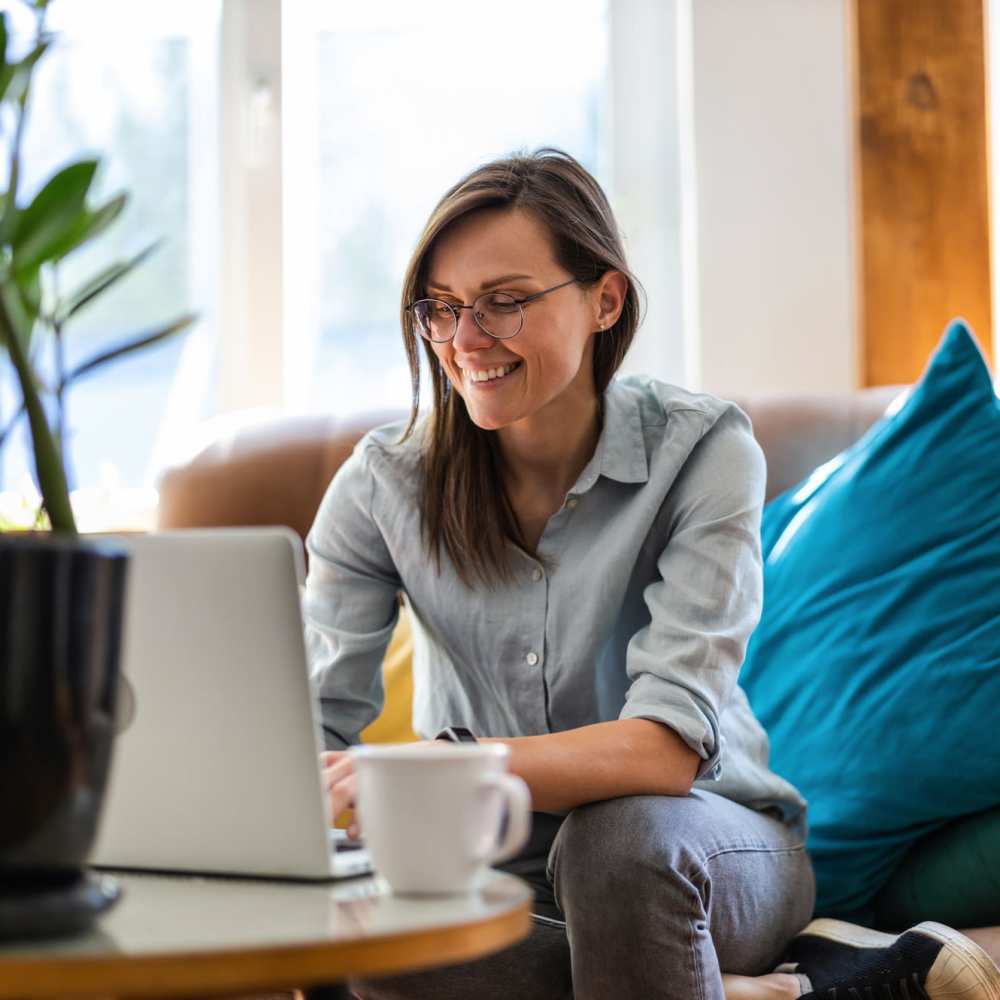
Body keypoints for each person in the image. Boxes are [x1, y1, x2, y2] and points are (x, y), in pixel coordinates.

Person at [305, 148, 1000, 1000]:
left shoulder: (704, 451)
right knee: (376, 947)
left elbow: (665, 750)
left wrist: (455, 766)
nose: (466, 341)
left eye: (505, 302)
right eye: (442, 309)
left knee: (616, 845)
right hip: (490, 865)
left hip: (709, 844)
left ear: (605, 299)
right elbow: (312, 725)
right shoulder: (383, 485)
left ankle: (706, 963)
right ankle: (777, 985)